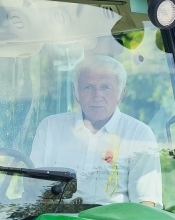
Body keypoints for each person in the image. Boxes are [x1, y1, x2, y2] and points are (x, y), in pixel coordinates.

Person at [30, 55, 163, 207]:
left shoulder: (138, 135)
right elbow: (32, 189)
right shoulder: (50, 128)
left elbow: (145, 204)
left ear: (121, 94)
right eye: (88, 87)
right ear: (76, 92)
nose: (97, 95)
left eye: (105, 87)